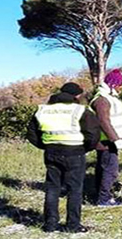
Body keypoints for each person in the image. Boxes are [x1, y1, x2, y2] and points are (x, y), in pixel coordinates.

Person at [27, 82, 100, 233]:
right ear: (76, 95)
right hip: (75, 153)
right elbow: (93, 135)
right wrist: (84, 148)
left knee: (52, 188)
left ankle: (50, 225)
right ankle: (73, 225)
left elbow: (31, 134)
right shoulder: (80, 110)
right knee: (74, 190)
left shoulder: (43, 110)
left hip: (51, 152)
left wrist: (46, 145)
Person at [90, 69, 122, 207]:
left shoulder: (108, 97)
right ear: (113, 84)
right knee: (110, 170)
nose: (121, 88)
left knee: (104, 168)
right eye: (120, 85)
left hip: (109, 141)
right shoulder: (102, 100)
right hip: (105, 142)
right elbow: (103, 121)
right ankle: (103, 199)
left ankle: (100, 195)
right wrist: (115, 139)